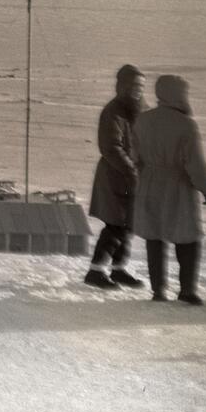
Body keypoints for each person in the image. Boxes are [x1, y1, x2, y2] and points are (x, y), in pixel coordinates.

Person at [132, 74, 206, 305]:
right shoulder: (186, 124)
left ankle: (158, 291)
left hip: (150, 182)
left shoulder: (143, 120)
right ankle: (187, 290)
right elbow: (195, 163)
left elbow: (134, 156)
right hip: (179, 185)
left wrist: (145, 176)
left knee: (154, 236)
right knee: (188, 238)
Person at [84, 65, 146, 290]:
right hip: (115, 176)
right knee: (116, 225)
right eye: (134, 85)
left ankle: (119, 269)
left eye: (141, 86)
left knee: (128, 224)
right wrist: (132, 170)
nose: (138, 90)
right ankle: (96, 271)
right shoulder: (113, 111)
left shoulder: (140, 109)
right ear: (122, 86)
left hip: (133, 177)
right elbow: (111, 147)